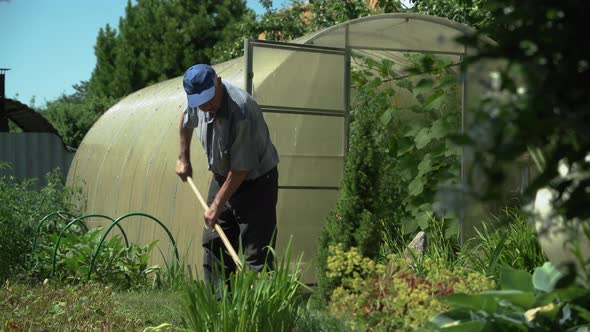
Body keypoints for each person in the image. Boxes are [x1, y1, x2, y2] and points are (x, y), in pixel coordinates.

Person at [175, 64, 279, 288]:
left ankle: (258, 311)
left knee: (256, 255)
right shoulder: (199, 103)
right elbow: (186, 120)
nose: (206, 107)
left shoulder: (241, 111)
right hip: (223, 177)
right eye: (200, 103)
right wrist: (184, 157)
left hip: (256, 183)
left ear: (218, 82)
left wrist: (216, 205)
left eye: (209, 99)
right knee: (214, 243)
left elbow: (241, 169)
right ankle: (220, 307)